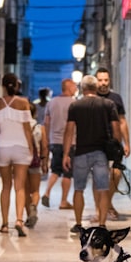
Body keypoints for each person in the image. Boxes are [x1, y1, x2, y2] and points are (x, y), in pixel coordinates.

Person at [63, 75, 121, 233]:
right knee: (103, 189)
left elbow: (69, 131)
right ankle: (102, 224)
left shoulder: (75, 106)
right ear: (96, 88)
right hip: (101, 152)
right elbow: (116, 128)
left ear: (82, 88)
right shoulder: (108, 104)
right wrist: (117, 150)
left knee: (79, 189)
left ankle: (78, 223)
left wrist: (66, 154)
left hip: (81, 151)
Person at [0, 73, 35, 237]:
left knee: (5, 186)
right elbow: (27, 128)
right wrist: (31, 148)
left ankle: (4, 223)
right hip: (20, 146)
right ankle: (19, 220)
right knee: (20, 187)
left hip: (3, 146)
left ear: (2, 86)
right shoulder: (23, 103)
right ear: (16, 86)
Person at [95, 67, 131, 220]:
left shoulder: (116, 98)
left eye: (106, 80)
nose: (103, 83)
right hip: (96, 142)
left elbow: (122, 121)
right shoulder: (92, 97)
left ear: (109, 80)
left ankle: (107, 204)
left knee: (116, 174)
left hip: (114, 143)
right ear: (96, 81)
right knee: (99, 176)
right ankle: (100, 210)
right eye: (100, 80)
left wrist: (127, 142)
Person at [41, 78, 77, 210]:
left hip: (55, 141)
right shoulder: (74, 103)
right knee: (67, 172)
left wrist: (47, 140)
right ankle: (63, 201)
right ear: (68, 88)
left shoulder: (51, 103)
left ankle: (46, 192)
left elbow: (46, 123)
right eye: (74, 87)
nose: (75, 89)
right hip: (71, 142)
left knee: (55, 170)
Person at [24, 101, 48, 227]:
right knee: (35, 191)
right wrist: (44, 162)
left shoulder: (20, 126)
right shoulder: (40, 128)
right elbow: (44, 147)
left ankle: (29, 215)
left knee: (24, 190)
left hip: (21, 162)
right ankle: (34, 206)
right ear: (35, 113)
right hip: (35, 162)